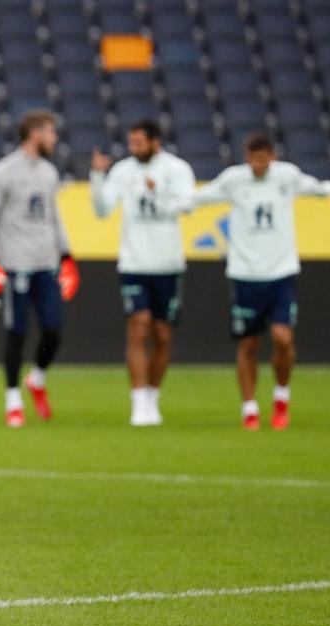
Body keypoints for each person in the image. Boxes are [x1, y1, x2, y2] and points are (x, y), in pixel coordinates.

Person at [189, 133, 330, 430]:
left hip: (281, 272)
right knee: (248, 344)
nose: (256, 165)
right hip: (245, 274)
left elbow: (316, 188)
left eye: (261, 159)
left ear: (272, 157)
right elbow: (202, 196)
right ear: (247, 157)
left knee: (284, 338)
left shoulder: (287, 177)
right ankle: (250, 408)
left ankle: (281, 397)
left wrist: (329, 189)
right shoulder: (234, 180)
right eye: (251, 159)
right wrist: (175, 200)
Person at [0, 109, 79, 428]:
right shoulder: (4, 171)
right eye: (50, 132)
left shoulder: (49, 173)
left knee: (53, 328)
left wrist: (67, 257)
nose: (54, 138)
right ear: (35, 133)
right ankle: (13, 400)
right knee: (16, 332)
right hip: (15, 265)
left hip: (46, 264)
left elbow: (53, 216)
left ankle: (37, 379)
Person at [91, 119, 196, 426]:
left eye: (139, 142)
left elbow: (187, 206)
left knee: (162, 334)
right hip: (134, 263)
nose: (134, 148)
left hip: (167, 263)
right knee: (139, 324)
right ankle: (137, 401)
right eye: (131, 142)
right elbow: (102, 209)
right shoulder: (123, 171)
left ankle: (153, 395)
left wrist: (159, 192)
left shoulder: (176, 170)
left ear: (155, 142)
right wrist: (97, 176)